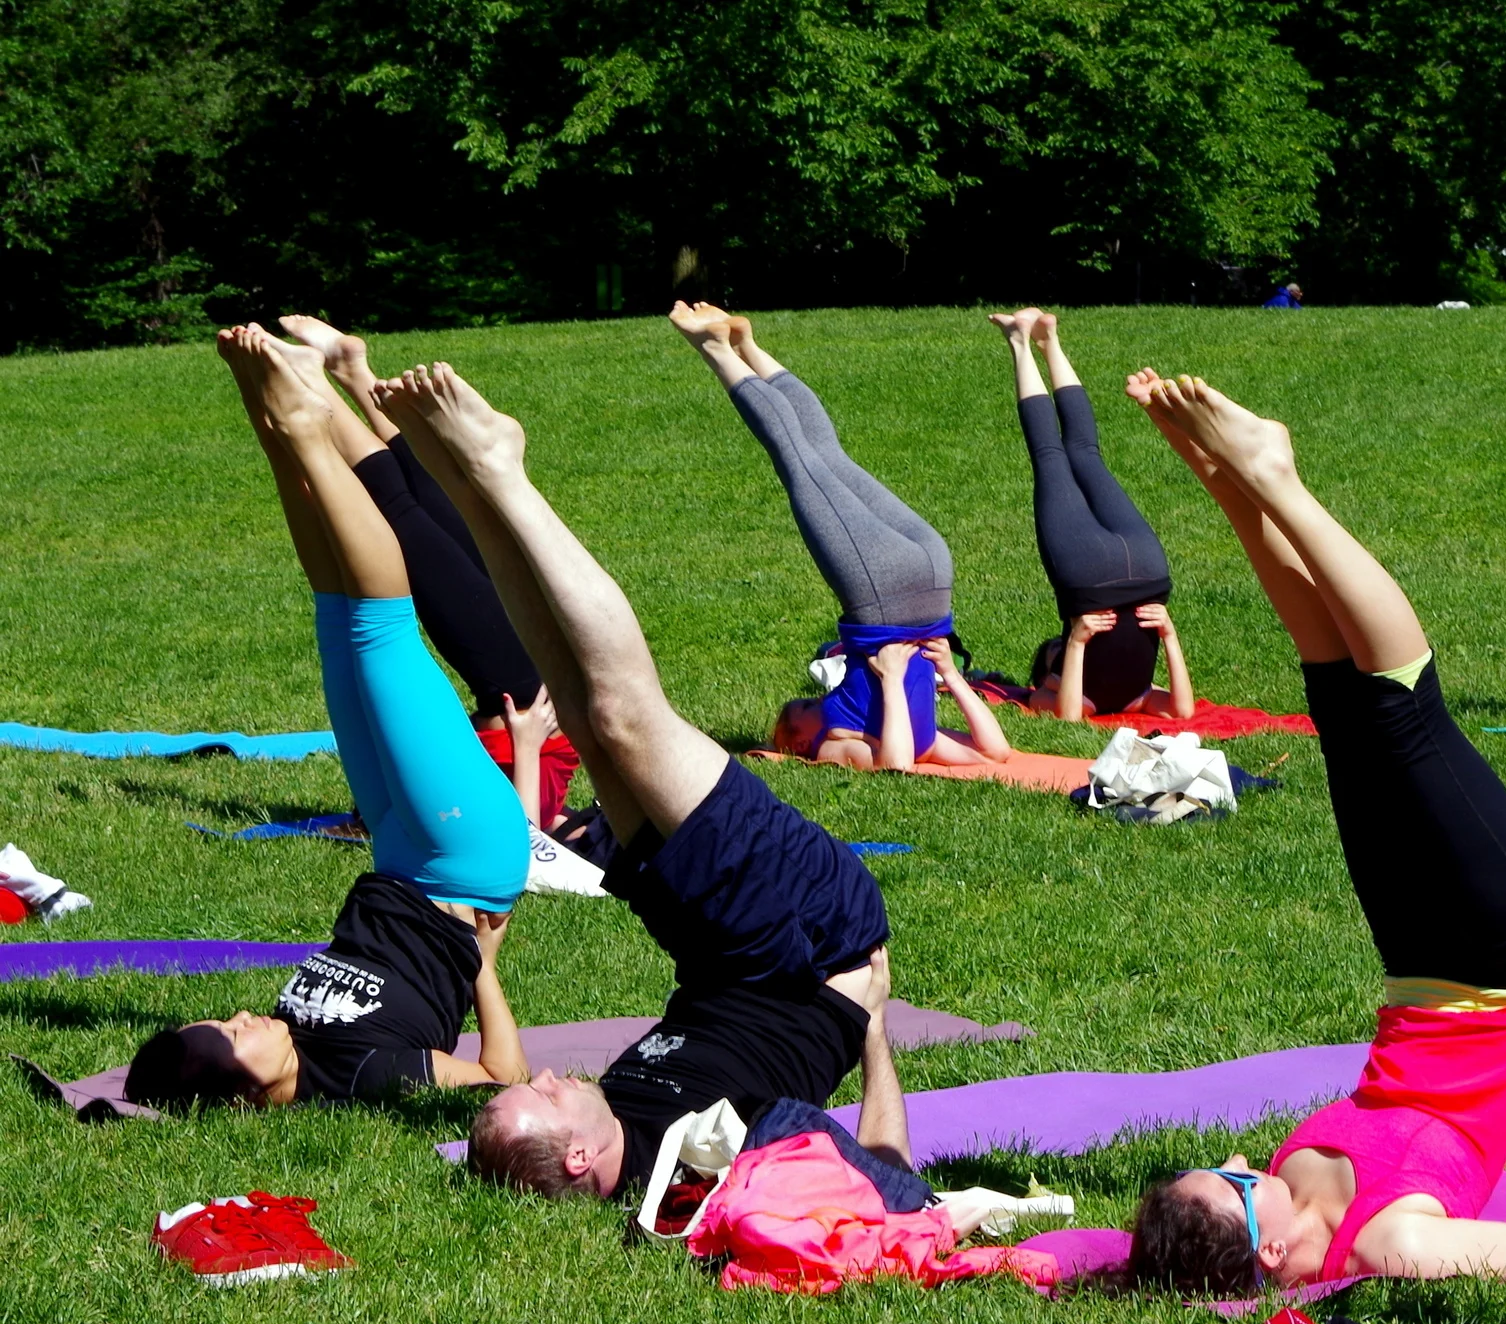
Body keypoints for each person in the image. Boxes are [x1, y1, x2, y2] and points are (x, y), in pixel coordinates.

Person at [365, 359, 916, 1199]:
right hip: (809, 934)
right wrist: (873, 1024)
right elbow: (887, 1182)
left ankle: (469, 484)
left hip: (703, 940)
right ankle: (503, 472)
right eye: (540, 1097)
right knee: (624, 714)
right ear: (579, 1158)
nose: (543, 1075)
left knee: (583, 720)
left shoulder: (612, 1113)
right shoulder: (695, 1176)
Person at [1112, 368, 1506, 1293]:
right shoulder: (1393, 1247)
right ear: (1264, 1247)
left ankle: (1233, 478)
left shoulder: (1291, 1185)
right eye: (1225, 1184)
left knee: (1342, 703)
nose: (1232, 1161)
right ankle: (1274, 477)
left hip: (1418, 975)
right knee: (1406, 713)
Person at [123, 326, 533, 1110]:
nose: (245, 1014)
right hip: (461, 855)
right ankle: (308, 430)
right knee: (382, 623)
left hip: (398, 850)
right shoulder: (357, 1075)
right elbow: (497, 1080)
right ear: (248, 1087)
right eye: (233, 1034)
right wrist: (482, 968)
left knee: (338, 615)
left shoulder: (289, 1033)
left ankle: (272, 421)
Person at [669, 301, 1013, 772]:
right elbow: (971, 757)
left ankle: (745, 346)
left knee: (823, 456)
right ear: (800, 744)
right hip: (889, 594)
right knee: (802, 460)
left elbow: (935, 757)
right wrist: (947, 675)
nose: (811, 702)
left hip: (929, 577)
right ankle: (719, 349)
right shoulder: (835, 743)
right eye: (805, 710)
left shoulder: (856, 734)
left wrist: (901, 679)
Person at [276, 315, 581, 829]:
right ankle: (313, 379)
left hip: (542, 666)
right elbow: (522, 844)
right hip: (519, 686)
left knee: (436, 509)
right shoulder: (526, 833)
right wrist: (527, 746)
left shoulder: (448, 800)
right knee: (403, 513)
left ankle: (352, 371)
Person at [990, 308, 1197, 721]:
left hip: (1139, 570)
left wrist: (1077, 643)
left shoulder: (1057, 692)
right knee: (1065, 456)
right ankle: (1027, 340)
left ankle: (1043, 339)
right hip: (1121, 575)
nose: (1059, 643)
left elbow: (1064, 714)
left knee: (1072, 455)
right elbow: (1183, 710)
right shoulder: (1135, 695)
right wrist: (1169, 635)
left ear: (1050, 675)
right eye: (1057, 646)